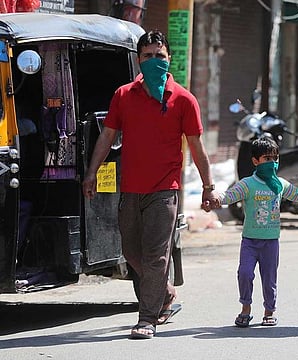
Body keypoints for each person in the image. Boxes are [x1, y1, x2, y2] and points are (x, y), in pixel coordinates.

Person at [82, 30, 218, 339]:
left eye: (160, 56)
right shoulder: (124, 95)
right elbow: (107, 136)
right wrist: (91, 172)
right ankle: (165, 294)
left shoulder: (184, 99)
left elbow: (197, 147)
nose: (154, 61)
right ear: (138, 59)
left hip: (164, 190)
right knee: (131, 253)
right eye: (147, 56)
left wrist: (208, 188)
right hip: (130, 189)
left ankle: (147, 318)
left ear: (170, 59)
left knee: (157, 255)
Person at [202, 135, 298, 327]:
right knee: (245, 273)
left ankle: (269, 311)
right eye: (267, 159)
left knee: (269, 279)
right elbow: (228, 196)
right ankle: (245, 309)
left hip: (271, 242)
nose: (271, 163)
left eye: (274, 158)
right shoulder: (248, 184)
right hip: (250, 241)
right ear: (256, 161)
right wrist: (214, 201)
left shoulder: (280, 184)